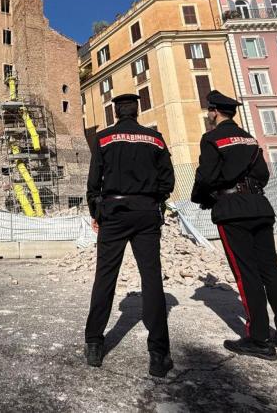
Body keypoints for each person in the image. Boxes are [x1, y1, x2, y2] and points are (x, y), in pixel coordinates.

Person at [191, 90, 277, 360]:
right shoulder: (250, 139)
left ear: (214, 112)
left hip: (232, 211)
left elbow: (206, 177)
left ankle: (259, 338)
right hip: (260, 207)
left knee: (246, 274)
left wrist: (202, 198)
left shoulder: (212, 138)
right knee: (271, 271)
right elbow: (263, 174)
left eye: (210, 111)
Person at [85, 93, 175, 377]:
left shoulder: (103, 138)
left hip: (113, 211)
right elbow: (168, 180)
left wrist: (96, 213)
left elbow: (93, 182)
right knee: (152, 278)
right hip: (146, 212)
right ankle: (159, 354)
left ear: (115, 112)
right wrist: (155, 202)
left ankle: (94, 344)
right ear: (136, 111)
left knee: (105, 276)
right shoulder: (156, 138)